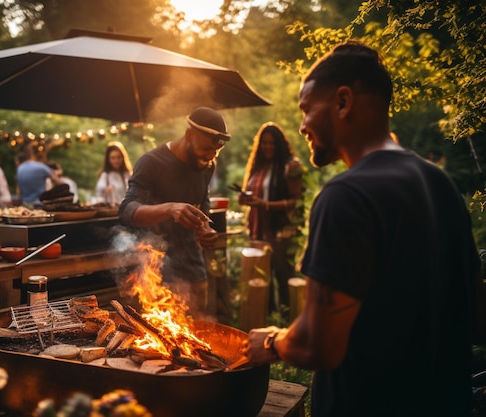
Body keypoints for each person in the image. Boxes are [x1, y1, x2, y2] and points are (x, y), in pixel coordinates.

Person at [243, 41, 481, 417]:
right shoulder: (441, 183)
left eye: (306, 109)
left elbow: (319, 346)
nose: (303, 125)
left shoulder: (345, 196)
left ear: (342, 101)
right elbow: (473, 315)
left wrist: (272, 341)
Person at [119, 107, 228, 317]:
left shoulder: (206, 165)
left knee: (197, 328)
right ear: (188, 135)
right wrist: (170, 208)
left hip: (192, 260)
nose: (209, 157)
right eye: (205, 148)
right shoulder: (151, 162)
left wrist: (204, 228)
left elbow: (202, 201)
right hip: (156, 262)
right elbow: (127, 210)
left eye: (215, 152)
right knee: (165, 331)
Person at [238, 122, 303, 310]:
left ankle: (286, 321)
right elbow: (252, 194)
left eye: (272, 143)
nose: (268, 147)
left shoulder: (290, 166)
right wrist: (244, 199)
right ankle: (266, 319)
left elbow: (296, 200)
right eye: (264, 143)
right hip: (257, 231)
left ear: (280, 145)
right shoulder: (258, 166)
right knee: (261, 278)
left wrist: (265, 205)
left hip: (280, 232)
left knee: (283, 276)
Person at [95, 141, 133, 206]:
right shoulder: (105, 175)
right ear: (108, 159)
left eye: (118, 157)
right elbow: (99, 196)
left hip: (127, 208)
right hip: (112, 210)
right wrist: (106, 191)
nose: (116, 161)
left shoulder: (127, 174)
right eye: (113, 158)